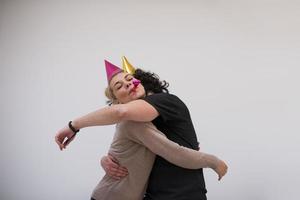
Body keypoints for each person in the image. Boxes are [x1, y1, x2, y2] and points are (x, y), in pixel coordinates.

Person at [55, 58, 228, 200]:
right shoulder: (132, 121)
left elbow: (172, 150)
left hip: (181, 194)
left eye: (130, 79)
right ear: (116, 101)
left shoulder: (164, 101)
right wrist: (213, 161)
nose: (128, 84)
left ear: (143, 82)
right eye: (119, 86)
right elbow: (169, 151)